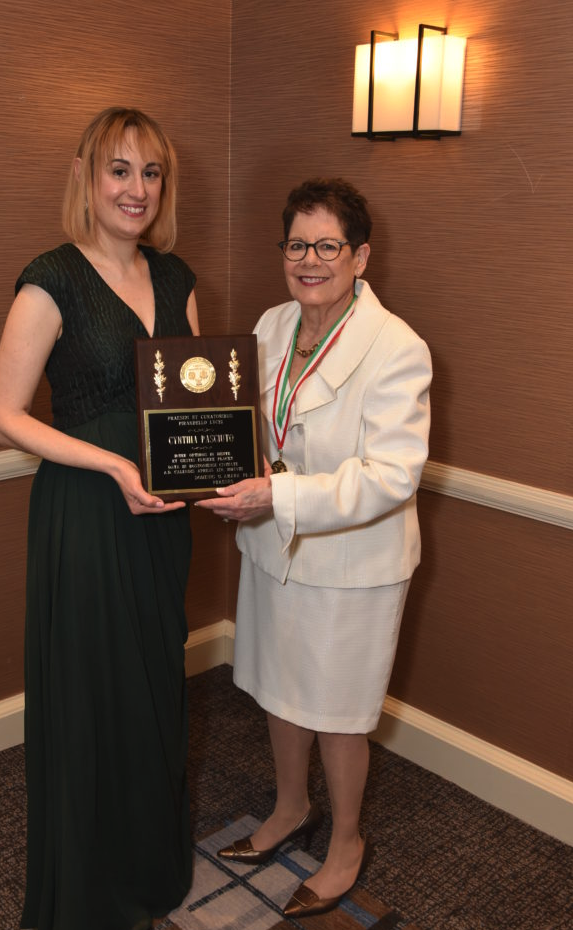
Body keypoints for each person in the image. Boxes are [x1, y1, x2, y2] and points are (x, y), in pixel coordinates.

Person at [196, 178, 431, 919]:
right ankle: (291, 807)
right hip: (274, 547)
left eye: (328, 246)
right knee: (278, 689)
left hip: (351, 565)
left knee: (338, 712)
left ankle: (347, 842)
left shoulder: (397, 349)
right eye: (297, 244)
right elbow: (248, 427)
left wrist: (280, 496)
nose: (310, 260)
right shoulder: (271, 325)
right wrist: (219, 472)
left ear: (360, 256)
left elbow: (391, 476)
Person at [0, 107, 199, 930]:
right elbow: (3, 416)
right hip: (85, 511)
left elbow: (192, 398)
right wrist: (112, 462)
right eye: (119, 170)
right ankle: (87, 893)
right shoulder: (52, 278)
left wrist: (214, 466)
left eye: (150, 173)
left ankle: (147, 867)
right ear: (86, 176)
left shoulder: (176, 276)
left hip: (159, 515)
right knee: (93, 694)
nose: (136, 189)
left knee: (153, 684)